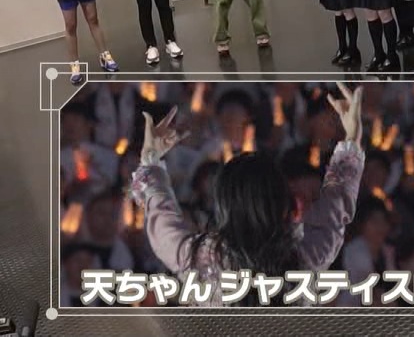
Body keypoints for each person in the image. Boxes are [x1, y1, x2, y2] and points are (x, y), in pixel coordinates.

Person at [128, 83, 365, 307]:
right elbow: (336, 205)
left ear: (223, 204)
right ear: (281, 201)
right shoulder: (305, 255)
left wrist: (151, 158)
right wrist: (352, 138)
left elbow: (161, 215)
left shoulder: (197, 258)